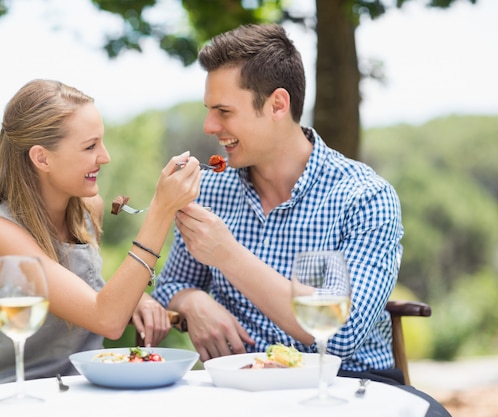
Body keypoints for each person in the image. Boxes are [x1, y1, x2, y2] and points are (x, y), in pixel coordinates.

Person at [152, 23, 405, 380]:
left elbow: (340, 334)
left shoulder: (365, 197)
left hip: (348, 385)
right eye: (209, 110)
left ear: (277, 105)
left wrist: (228, 255)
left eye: (224, 111)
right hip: (242, 386)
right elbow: (171, 285)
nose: (209, 125)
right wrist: (193, 302)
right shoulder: (211, 189)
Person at [0, 79, 201, 390]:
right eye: (90, 146)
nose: (105, 157)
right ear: (41, 158)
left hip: (84, 393)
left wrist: (134, 298)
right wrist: (161, 211)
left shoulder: (86, 210)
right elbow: (106, 319)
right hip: (10, 398)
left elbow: (77, 289)